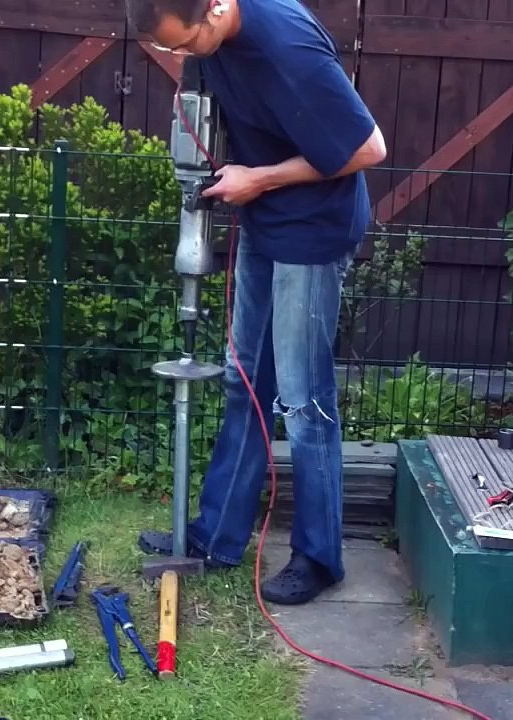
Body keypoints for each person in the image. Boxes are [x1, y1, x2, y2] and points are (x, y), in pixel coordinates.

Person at [125, 0, 386, 605]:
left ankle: (319, 559)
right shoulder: (218, 39)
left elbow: (368, 147)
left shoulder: (286, 48)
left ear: (215, 8)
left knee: (303, 398)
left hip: (313, 232)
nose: (184, 58)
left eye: (186, 44)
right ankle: (216, 537)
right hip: (267, 226)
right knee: (246, 382)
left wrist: (259, 179)